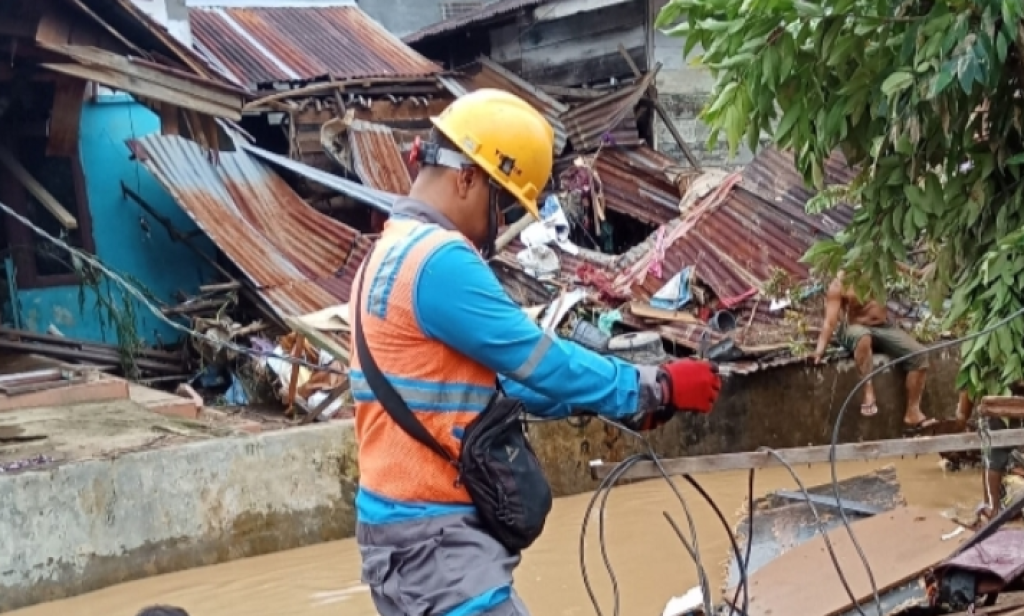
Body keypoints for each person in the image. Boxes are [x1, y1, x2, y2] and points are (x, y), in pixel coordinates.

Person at [349, 88, 722, 616]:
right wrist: (651, 386)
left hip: (404, 537)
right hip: (436, 544)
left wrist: (621, 403)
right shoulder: (439, 262)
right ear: (467, 177)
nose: (497, 227)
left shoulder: (385, 256)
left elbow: (498, 388)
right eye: (501, 204)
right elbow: (540, 359)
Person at [812, 271, 935, 435]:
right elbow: (829, 322)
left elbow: (911, 272)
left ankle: (913, 412)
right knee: (863, 337)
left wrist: (925, 271)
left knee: (919, 354)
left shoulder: (881, 266)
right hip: (854, 329)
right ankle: (867, 388)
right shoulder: (840, 283)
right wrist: (819, 351)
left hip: (883, 328)